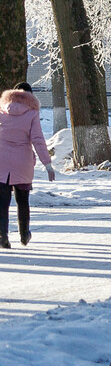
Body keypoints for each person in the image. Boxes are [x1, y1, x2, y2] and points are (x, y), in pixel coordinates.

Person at [0, 81, 55, 247]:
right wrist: (48, 164)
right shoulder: (32, 113)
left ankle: (2, 236)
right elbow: (37, 139)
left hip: (1, 162)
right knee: (22, 200)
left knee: (2, 202)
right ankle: (24, 234)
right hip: (22, 163)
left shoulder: (2, 110)